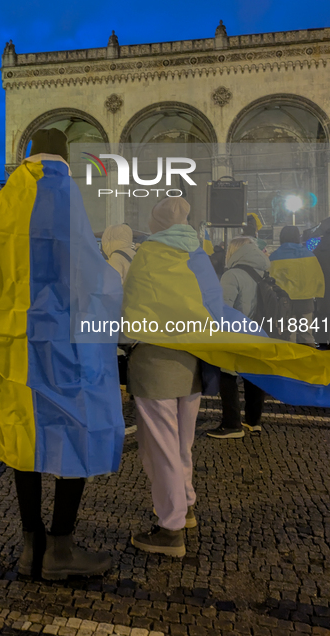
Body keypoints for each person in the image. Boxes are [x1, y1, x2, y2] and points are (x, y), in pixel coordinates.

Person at [0, 128, 124, 580]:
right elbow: (88, 275)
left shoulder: (1, 201)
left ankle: (30, 546)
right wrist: (117, 268)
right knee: (77, 427)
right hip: (63, 344)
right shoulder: (64, 193)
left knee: (24, 435)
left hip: (13, 342)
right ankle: (61, 548)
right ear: (66, 157)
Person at [123, 197, 201, 558]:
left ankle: (170, 529)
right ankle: (185, 508)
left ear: (156, 223)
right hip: (192, 360)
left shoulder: (149, 254)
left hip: (155, 361)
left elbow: (131, 306)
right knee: (182, 443)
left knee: (161, 447)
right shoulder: (197, 254)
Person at [207, 236, 269, 438]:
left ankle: (232, 424)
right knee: (255, 375)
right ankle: (253, 421)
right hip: (260, 332)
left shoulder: (232, 275)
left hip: (237, 332)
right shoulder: (263, 272)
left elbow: (223, 308)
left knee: (227, 375)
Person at [268, 226, 325, 346]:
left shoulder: (274, 257)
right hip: (306, 301)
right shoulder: (310, 255)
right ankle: (309, 361)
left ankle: (290, 362)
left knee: (289, 336)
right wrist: (318, 294)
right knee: (307, 335)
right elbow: (318, 277)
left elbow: (270, 281)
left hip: (285, 303)